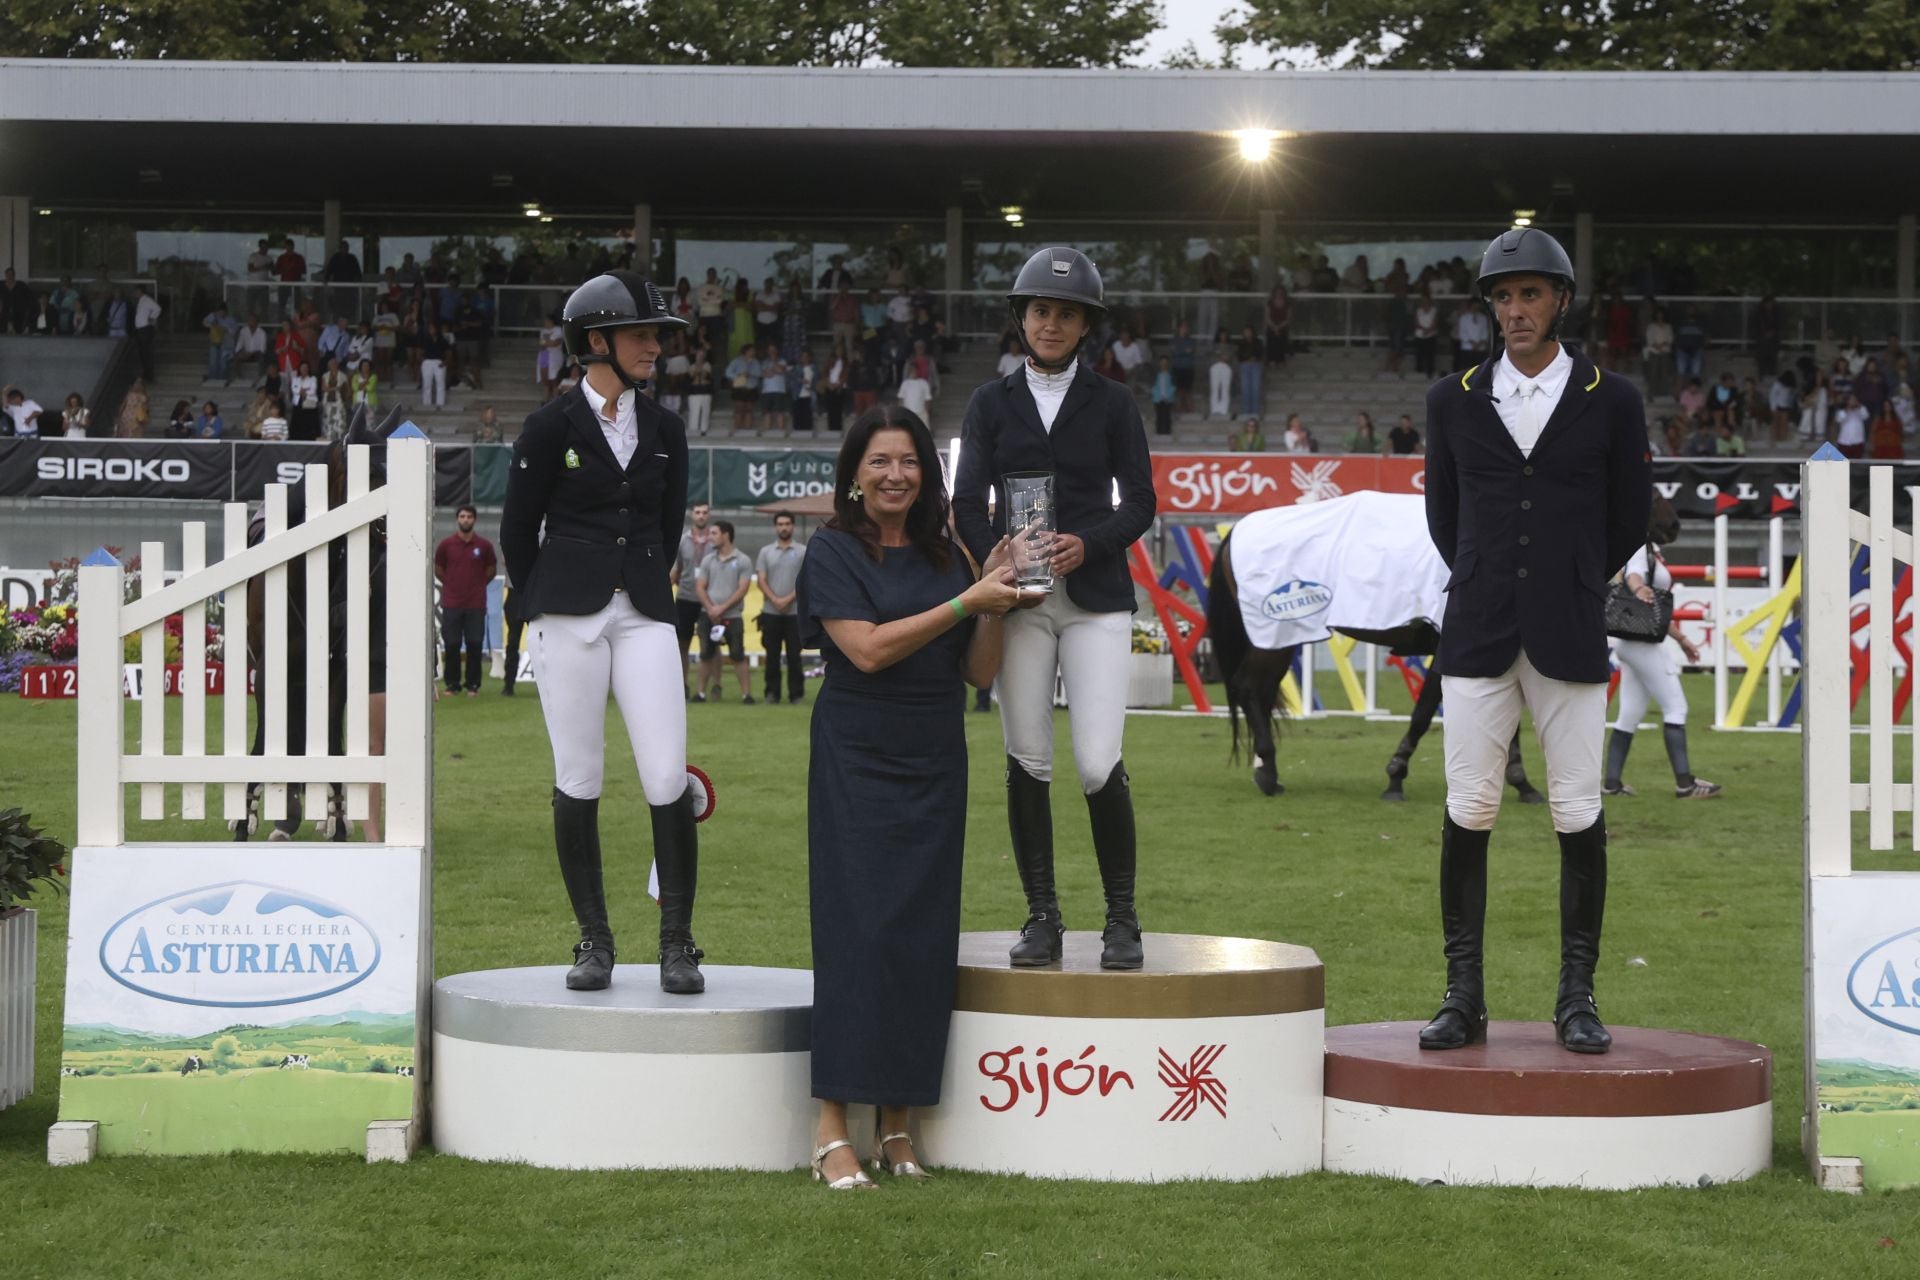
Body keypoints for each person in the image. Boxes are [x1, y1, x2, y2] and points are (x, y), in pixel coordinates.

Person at [1419, 227, 1651, 1057]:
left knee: (1577, 808)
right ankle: (1462, 996)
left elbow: (1629, 514)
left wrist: (1575, 577)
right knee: (1469, 808)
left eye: (1530, 294)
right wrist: (1490, 578)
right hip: (1477, 627)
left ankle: (1577, 997)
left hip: (1570, 626)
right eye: (1503, 297)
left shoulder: (1612, 398)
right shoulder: (1450, 399)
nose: (1515, 310)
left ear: (1561, 301)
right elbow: (1444, 516)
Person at [798, 404, 1017, 1190]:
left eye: (910, 461)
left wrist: (997, 598)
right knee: (857, 933)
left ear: (928, 474)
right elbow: (866, 650)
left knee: (921, 938)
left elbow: (980, 672)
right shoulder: (831, 550)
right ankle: (831, 1124)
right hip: (857, 754)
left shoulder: (949, 553)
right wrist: (968, 603)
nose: (896, 475)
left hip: (935, 755)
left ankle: (898, 1121)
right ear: (855, 474)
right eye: (881, 461)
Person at [499, 270, 707, 995]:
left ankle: (677, 942)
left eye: (658, 336)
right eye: (642, 335)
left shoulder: (667, 429)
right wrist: (546, 603)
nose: (656, 347)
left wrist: (635, 577)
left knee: (667, 774)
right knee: (578, 776)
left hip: (644, 611)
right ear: (596, 341)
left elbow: (668, 525)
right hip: (567, 614)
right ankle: (594, 939)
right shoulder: (547, 426)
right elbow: (517, 532)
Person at [953, 246, 1158, 972]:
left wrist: (1088, 543)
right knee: (1027, 756)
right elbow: (965, 502)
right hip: (1022, 601)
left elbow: (1140, 501)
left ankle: (1122, 919)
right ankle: (1042, 915)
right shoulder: (990, 402)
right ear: (1022, 318)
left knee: (1098, 760)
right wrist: (998, 557)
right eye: (1041, 311)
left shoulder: (1113, 402)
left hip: (1095, 599)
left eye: (1066, 314)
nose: (1051, 324)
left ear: (1085, 326)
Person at [1605, 499, 1722, 802]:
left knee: (1629, 714)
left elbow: (1648, 605)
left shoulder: (1647, 548)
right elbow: (1633, 576)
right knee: (1676, 707)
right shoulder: (1639, 549)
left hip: (1633, 642)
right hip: (1642, 644)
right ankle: (1685, 783)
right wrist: (1638, 588)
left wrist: (1681, 639)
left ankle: (1612, 783)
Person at [434, 505, 497, 698]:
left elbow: (491, 569)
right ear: (457, 519)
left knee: (474, 644)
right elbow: (439, 569)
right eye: (462, 516)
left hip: (476, 604)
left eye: (469, 516)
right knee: (452, 644)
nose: (466, 519)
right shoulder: (446, 545)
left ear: (474, 520)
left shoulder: (484, 546)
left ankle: (472, 685)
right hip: (452, 603)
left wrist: (477, 585)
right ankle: (452, 685)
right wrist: (452, 584)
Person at [694, 520, 755, 702]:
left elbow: (742, 589)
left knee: (737, 654)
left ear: (726, 535)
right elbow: (700, 586)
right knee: (706, 654)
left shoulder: (742, 560)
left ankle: (746, 695)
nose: (710, 537)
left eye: (714, 533)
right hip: (708, 615)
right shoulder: (708, 560)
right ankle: (700, 693)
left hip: (732, 616)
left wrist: (722, 608)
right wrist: (711, 608)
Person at [755, 511, 808, 704]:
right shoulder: (766, 552)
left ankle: (796, 694)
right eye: (780, 524)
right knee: (772, 655)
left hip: (795, 613)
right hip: (771, 612)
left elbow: (806, 580)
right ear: (775, 527)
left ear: (792, 526)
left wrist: (787, 599)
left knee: (794, 655)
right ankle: (772, 693)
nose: (783, 527)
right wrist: (776, 600)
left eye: (787, 524)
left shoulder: (802, 551)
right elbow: (761, 580)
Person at [671, 502, 717, 696]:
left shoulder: (716, 539)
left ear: (709, 515)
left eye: (704, 512)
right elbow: (676, 569)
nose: (701, 516)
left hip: (710, 599)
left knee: (712, 644)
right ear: (692, 515)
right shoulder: (683, 540)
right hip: (686, 597)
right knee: (682, 643)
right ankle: (682, 684)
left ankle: (715, 685)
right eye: (697, 512)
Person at [1207, 327, 1234, 419]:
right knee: (1215, 388)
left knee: (1225, 389)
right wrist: (1219, 358)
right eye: (1221, 335)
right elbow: (1210, 356)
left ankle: (1224, 409)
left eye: (1225, 335)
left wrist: (1224, 358)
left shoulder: (1230, 346)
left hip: (1226, 367)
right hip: (1215, 367)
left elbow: (1231, 357)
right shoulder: (1214, 346)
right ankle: (1214, 409)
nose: (1223, 336)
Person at [1150, 355, 1176, 436]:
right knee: (1159, 415)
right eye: (1162, 363)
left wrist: (1168, 396)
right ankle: (1159, 431)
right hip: (1158, 399)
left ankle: (1167, 431)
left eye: (1165, 363)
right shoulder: (1156, 375)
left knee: (1167, 415)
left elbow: (1173, 387)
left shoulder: (1171, 375)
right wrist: (1156, 397)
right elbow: (1154, 387)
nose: (1163, 365)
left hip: (1168, 399)